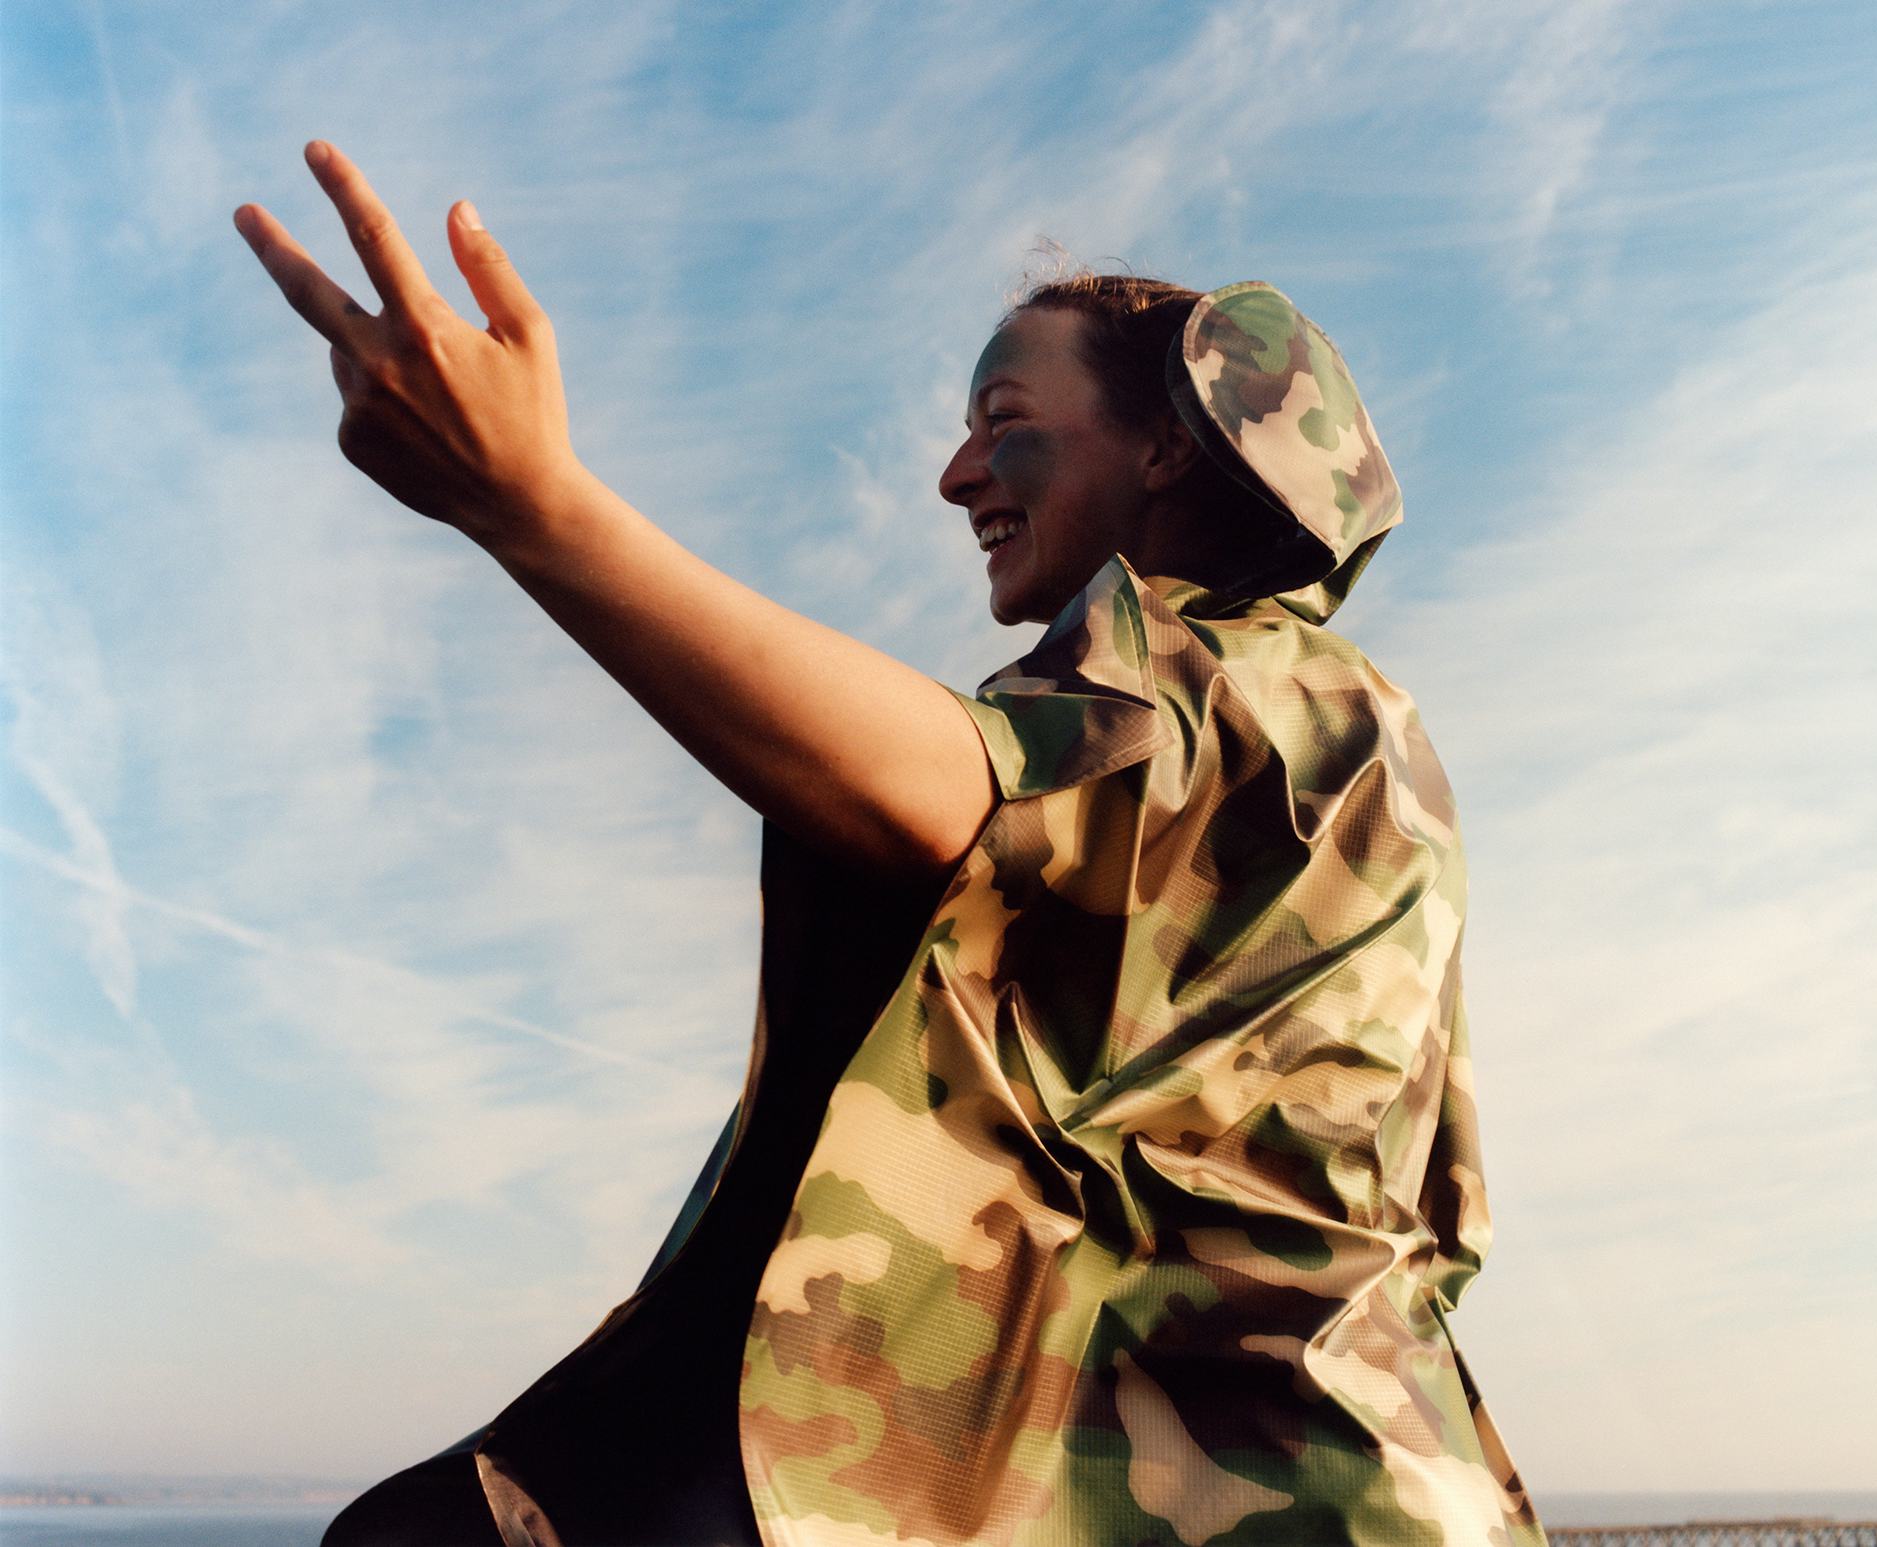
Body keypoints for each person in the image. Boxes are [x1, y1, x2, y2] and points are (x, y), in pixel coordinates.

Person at [236, 141, 1548, 1547]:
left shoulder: (1242, 678)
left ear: (1169, 445)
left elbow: (957, 792)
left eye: (1003, 418)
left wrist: (540, 506)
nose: (953, 473)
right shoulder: (1342, 735)